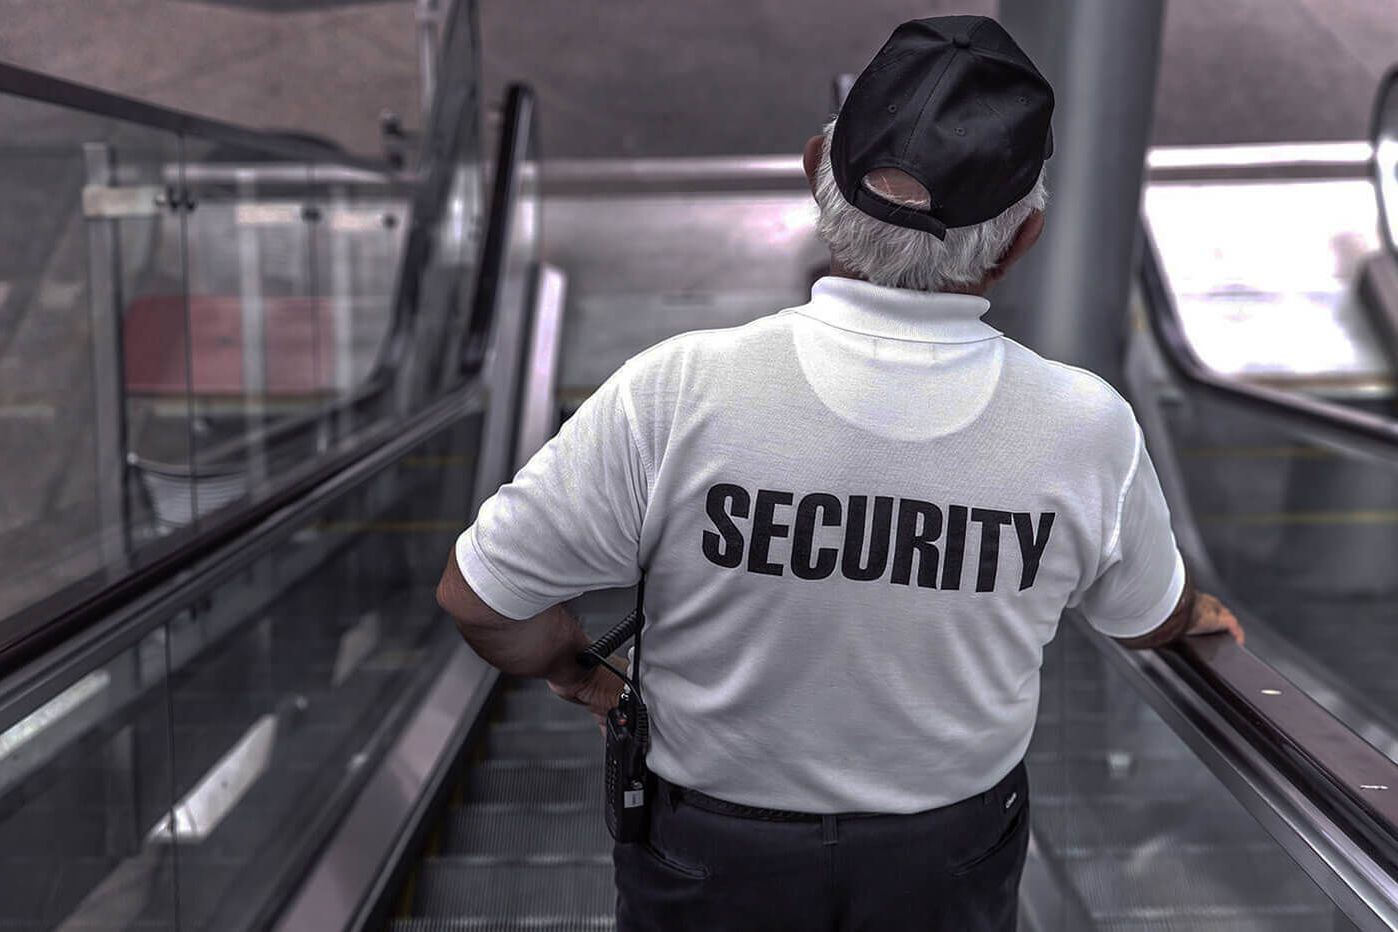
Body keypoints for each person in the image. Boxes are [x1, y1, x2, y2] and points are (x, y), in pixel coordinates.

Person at [434, 13, 1243, 932]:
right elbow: (1145, 618)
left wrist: (577, 671)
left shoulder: (679, 388)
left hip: (710, 853)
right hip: (948, 857)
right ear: (1022, 240)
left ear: (818, 166)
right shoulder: (1084, 427)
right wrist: (1195, 617)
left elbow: (478, 598)